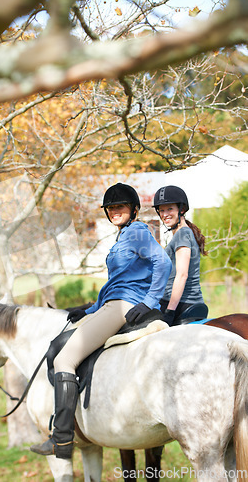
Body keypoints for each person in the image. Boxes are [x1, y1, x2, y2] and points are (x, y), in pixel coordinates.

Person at [31, 182, 172, 460]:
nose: (115, 211)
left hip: (125, 306)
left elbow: (163, 264)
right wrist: (89, 309)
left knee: (63, 361)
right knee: (57, 346)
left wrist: (149, 301)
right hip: (111, 304)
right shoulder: (123, 237)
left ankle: (62, 439)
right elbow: (116, 283)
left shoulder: (138, 232)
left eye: (120, 207)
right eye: (110, 208)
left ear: (133, 209)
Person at [153, 185, 208, 326]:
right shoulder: (184, 233)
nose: (165, 214)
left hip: (178, 304)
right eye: (162, 210)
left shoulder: (182, 234)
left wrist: (170, 312)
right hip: (186, 301)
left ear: (181, 209)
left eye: (170, 209)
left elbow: (182, 275)